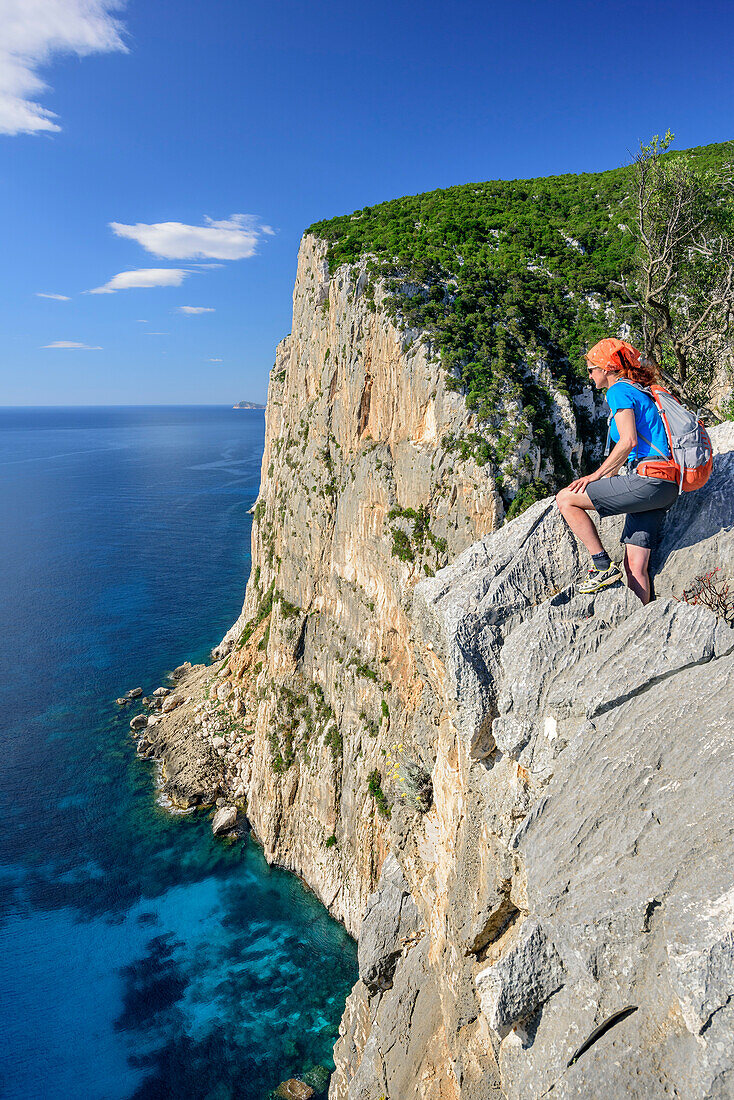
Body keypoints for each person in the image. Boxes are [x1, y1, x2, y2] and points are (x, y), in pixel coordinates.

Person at [555, 338, 679, 604]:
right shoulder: (639, 389)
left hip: (648, 479)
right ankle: (643, 620)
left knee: (566, 498)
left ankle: (600, 565)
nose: (589, 375)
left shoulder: (618, 390)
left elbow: (628, 441)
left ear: (607, 368)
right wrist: (612, 475)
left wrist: (595, 476)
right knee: (635, 566)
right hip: (665, 485)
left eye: (591, 368)